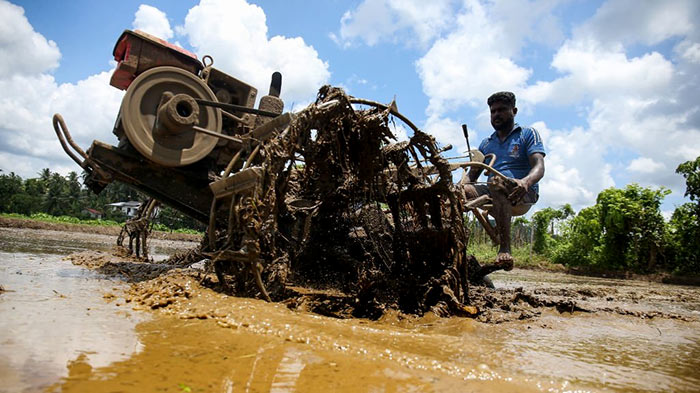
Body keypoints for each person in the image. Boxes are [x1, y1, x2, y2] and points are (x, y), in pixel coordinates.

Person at [464, 91, 545, 271]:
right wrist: (459, 188)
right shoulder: (486, 144)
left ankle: (505, 248)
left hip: (521, 193)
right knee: (459, 192)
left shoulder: (527, 134)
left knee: (497, 182)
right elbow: (472, 176)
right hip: (493, 192)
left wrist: (525, 182)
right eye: (493, 111)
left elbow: (539, 166)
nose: (496, 115)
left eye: (501, 110)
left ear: (514, 111)